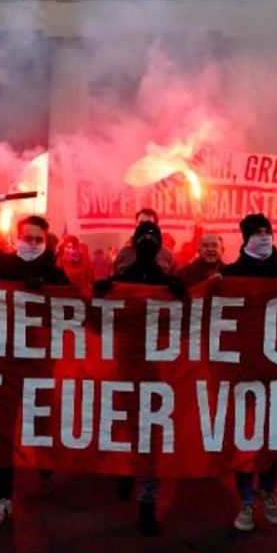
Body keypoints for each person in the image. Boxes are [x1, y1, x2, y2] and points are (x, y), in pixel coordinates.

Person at [0, 192, 69, 526]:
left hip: (39, 358)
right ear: (18, 238)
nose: (33, 243)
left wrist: (50, 291)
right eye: (28, 237)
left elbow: (80, 306)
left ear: (46, 242)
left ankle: (45, 465)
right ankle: (2, 499)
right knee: (2, 428)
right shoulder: (4, 264)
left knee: (42, 419)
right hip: (4, 357)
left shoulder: (55, 273)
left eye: (39, 239)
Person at [95, 220, 185, 536]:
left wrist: (179, 292)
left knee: (150, 430)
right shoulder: (121, 278)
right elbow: (96, 319)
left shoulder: (168, 281)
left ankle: (147, 498)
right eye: (142, 241)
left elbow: (186, 318)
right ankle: (125, 470)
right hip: (126, 363)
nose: (148, 246)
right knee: (127, 422)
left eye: (153, 241)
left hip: (157, 367)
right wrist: (101, 291)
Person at [221, 213, 277, 532]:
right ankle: (246, 499)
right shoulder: (229, 274)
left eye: (267, 231)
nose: (263, 236)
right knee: (245, 434)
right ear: (244, 237)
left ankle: (267, 489)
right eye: (256, 232)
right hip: (242, 367)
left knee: (273, 433)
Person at [113, 208, 176, 275]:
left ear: (155, 226)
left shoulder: (167, 255)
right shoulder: (124, 253)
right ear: (136, 225)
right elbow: (114, 281)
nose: (144, 226)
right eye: (141, 223)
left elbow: (174, 281)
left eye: (149, 223)